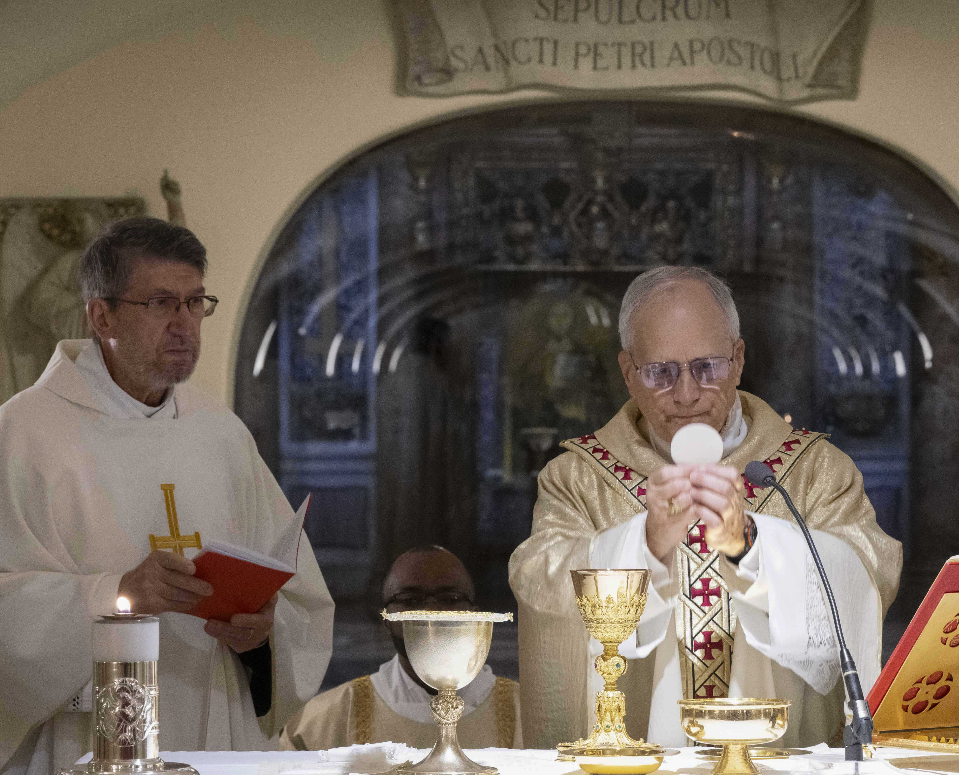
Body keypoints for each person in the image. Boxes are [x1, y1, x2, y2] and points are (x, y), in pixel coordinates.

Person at [509, 266, 903, 749]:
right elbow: (539, 579)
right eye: (661, 373)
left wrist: (754, 547)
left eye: (707, 367)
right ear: (628, 373)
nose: (687, 393)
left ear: (738, 360)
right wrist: (645, 545)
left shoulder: (813, 469)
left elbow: (870, 570)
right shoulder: (578, 478)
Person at [0, 217, 335, 774]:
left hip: (217, 726)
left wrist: (261, 636)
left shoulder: (220, 432)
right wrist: (117, 593)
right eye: (160, 303)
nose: (184, 325)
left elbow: (300, 597)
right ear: (101, 315)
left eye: (194, 302)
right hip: (86, 737)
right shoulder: (24, 433)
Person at [281, 546, 520, 750]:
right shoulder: (324, 721)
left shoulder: (524, 712)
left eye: (450, 598)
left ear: (474, 615)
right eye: (410, 600)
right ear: (386, 618)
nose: (430, 613)